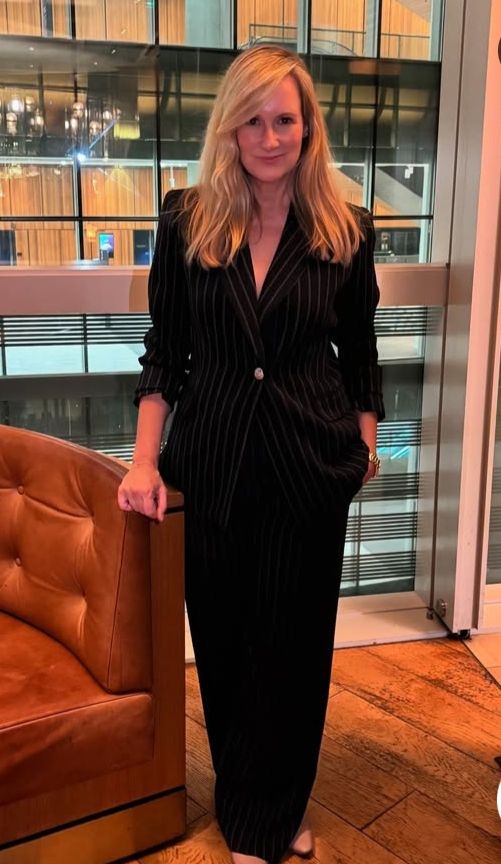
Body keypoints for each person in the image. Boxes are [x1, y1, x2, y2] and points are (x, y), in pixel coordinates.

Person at [118, 44, 385, 864]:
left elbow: (360, 351)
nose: (269, 138)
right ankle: (250, 811)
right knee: (227, 645)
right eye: (252, 121)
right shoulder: (187, 219)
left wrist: (364, 444)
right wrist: (142, 461)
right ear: (229, 129)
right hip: (214, 464)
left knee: (294, 653)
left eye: (284, 121)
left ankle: (274, 811)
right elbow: (165, 351)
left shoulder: (346, 228)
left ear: (308, 129)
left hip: (310, 465)